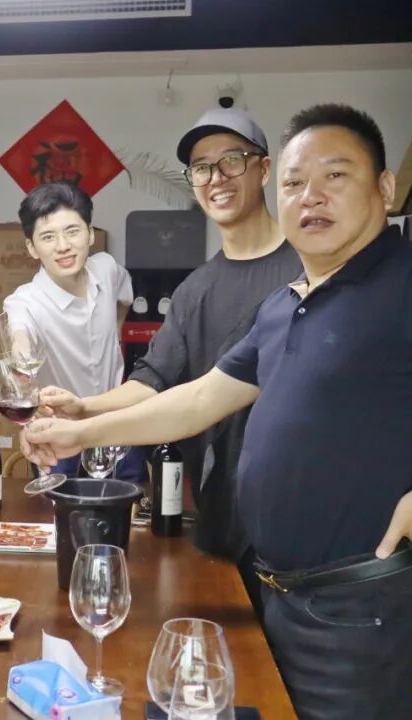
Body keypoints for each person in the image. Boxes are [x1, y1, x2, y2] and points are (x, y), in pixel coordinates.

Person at [23, 103, 412, 719]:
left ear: (384, 188)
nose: (311, 196)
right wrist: (80, 431)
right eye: (296, 183)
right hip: (277, 591)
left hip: (359, 604)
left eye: (335, 175)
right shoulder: (286, 306)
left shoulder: (401, 283)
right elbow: (198, 398)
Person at [40, 109, 302, 603]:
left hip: (297, 528)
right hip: (221, 518)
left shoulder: (306, 269)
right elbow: (154, 379)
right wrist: (84, 406)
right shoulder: (195, 288)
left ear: (264, 169)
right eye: (202, 168)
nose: (216, 178)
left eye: (232, 161)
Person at [1, 181, 145, 482]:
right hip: (60, 435)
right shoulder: (24, 302)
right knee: (57, 510)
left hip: (116, 423)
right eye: (48, 236)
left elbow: (124, 299)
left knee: (133, 506)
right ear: (31, 247)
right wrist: (22, 362)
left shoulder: (106, 269)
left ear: (90, 233)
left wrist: (114, 334)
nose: (63, 246)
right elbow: (19, 336)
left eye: (72, 231)